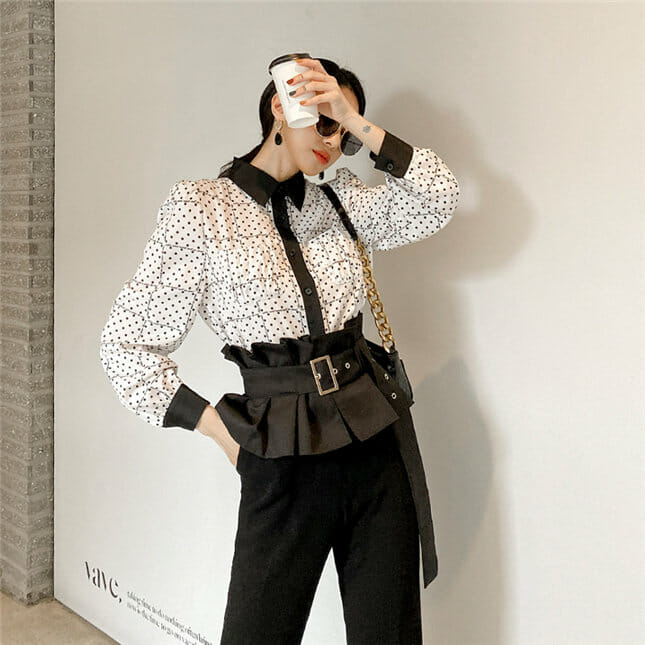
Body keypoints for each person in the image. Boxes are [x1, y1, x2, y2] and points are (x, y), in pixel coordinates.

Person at [99, 55, 460, 645]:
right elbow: (126, 347)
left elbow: (438, 198)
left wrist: (356, 122)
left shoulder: (342, 198)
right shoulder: (202, 209)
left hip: (375, 445)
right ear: (280, 105)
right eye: (325, 121)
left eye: (344, 133)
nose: (334, 142)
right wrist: (223, 435)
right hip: (280, 458)